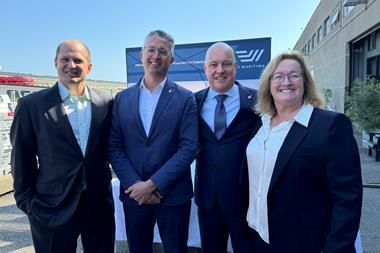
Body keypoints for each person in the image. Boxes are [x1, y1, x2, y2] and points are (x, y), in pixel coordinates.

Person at [246, 51, 363, 253]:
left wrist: (336, 248)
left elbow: (348, 197)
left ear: (305, 82)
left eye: (294, 75)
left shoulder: (330, 125)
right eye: (279, 76)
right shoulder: (260, 123)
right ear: (269, 83)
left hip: (305, 242)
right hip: (258, 237)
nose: (286, 81)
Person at [10, 39, 115, 253]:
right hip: (51, 207)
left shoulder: (106, 102)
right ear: (55, 63)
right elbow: (22, 157)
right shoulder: (32, 106)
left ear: (89, 67)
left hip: (97, 205)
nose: (71, 65)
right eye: (64, 59)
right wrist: (28, 203)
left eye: (78, 60)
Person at [107, 30, 198, 253]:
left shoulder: (185, 98)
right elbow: (114, 146)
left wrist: (153, 184)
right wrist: (135, 186)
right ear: (141, 54)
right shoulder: (122, 99)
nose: (155, 55)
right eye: (151, 49)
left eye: (163, 51)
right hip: (134, 195)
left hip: (173, 195)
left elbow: (189, 147)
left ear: (172, 59)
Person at [194, 42, 260, 253]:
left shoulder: (258, 101)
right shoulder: (193, 102)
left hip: (245, 199)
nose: (219, 70)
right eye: (213, 65)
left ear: (235, 66)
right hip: (208, 199)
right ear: (205, 69)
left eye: (226, 64)